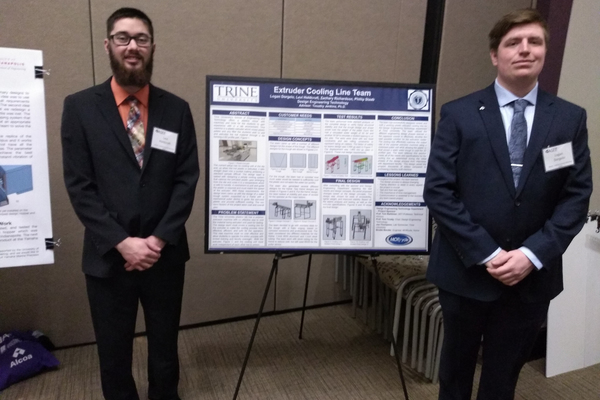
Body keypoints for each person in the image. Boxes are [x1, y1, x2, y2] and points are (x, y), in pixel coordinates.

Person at [424, 8, 592, 400]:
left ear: (545, 51)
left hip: (531, 278)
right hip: (466, 271)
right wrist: (489, 253)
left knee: (503, 379)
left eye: (535, 41)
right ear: (495, 55)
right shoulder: (460, 114)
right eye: (513, 42)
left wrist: (532, 255)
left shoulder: (568, 119)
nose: (525, 49)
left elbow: (575, 196)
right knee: (455, 374)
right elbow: (439, 191)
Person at [61, 8, 199, 400]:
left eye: (141, 38)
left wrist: (156, 240)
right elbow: (80, 186)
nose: (132, 46)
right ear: (108, 45)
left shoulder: (176, 109)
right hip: (108, 256)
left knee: (165, 349)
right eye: (123, 38)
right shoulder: (80, 107)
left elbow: (186, 179)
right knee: (113, 353)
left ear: (153, 47)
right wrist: (123, 243)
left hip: (163, 255)